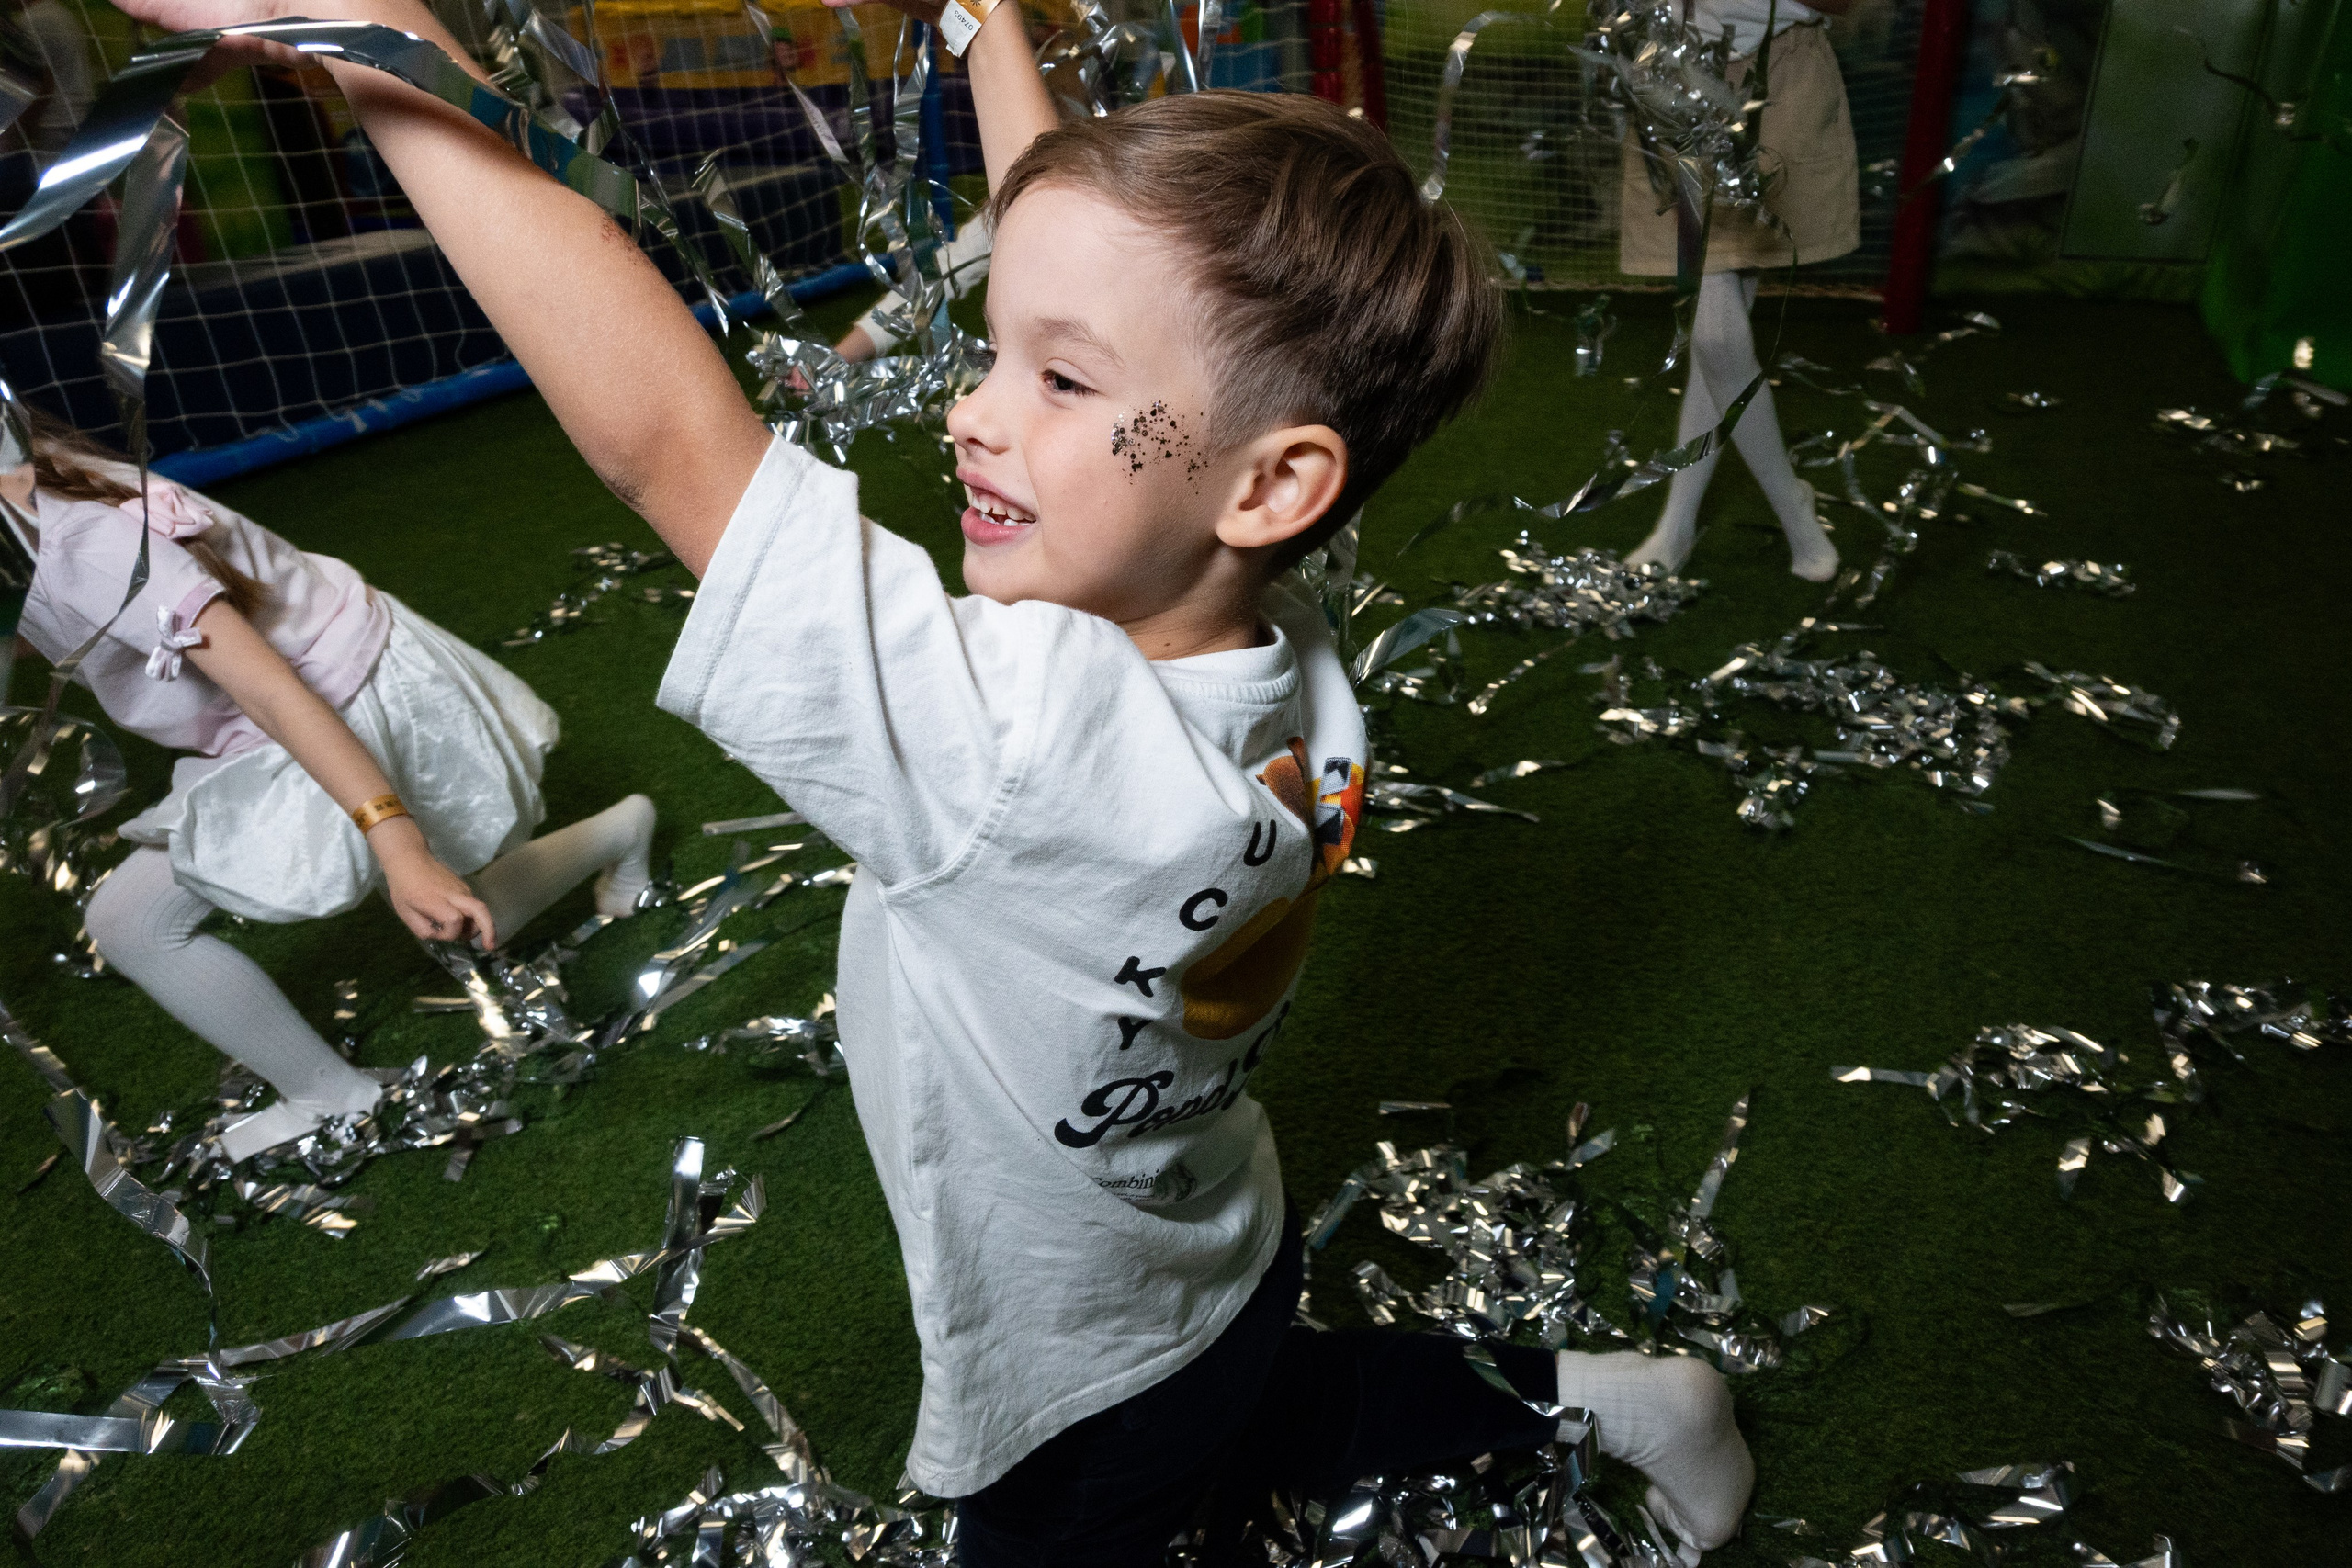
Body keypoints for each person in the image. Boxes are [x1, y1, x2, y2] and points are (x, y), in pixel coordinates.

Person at [116, 0, 1758, 1557]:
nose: (974, 412)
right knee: (1282, 1406)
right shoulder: (1276, 634)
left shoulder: (1018, 744)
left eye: (1058, 381)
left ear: (1270, 483)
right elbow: (1109, 285)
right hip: (1215, 1231)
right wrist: (988, 28)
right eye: (995, 350)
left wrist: (382, 41)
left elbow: (670, 444)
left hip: (1086, 1372)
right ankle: (1621, 1399)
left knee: (1161, 1475)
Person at [6, 414, 655, 1164]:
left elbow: (277, 694)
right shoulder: (26, 489)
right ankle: (624, 828)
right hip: (298, 689)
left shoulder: (85, 545)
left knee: (132, 922)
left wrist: (399, 844)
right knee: (456, 915)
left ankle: (330, 1096)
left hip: (330, 699)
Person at [1620, 0, 1857, 583]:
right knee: (1718, 339)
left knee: (1721, 343)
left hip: (1779, 77)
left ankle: (1678, 524)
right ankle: (1791, 511)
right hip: (1671, 78)